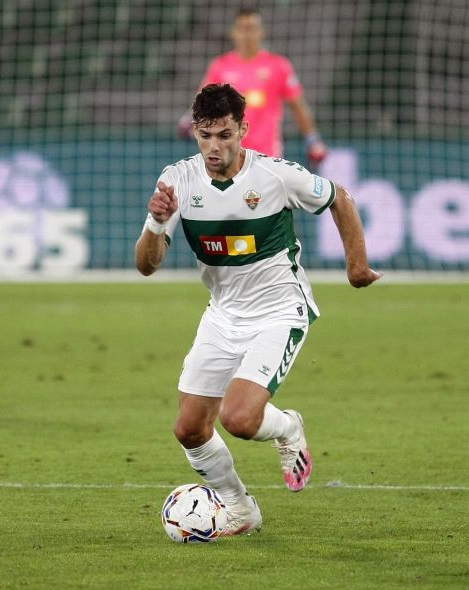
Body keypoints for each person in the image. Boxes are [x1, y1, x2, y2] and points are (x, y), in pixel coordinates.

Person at [139, 83, 381, 536]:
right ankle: (240, 508)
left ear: (243, 131)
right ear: (195, 132)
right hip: (222, 315)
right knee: (190, 429)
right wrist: (155, 222)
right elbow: (147, 266)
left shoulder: (275, 176)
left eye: (225, 135)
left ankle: (288, 427)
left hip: (279, 311)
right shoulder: (177, 181)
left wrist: (357, 266)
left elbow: (339, 198)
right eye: (205, 135)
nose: (214, 146)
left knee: (239, 418)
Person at [178, 7, 328, 169]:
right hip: (228, 156)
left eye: (252, 28)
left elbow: (298, 106)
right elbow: (202, 101)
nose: (247, 34)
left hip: (268, 157)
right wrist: (189, 119)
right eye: (242, 29)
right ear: (233, 32)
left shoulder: (278, 66)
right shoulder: (220, 66)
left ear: (261, 32)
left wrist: (313, 140)